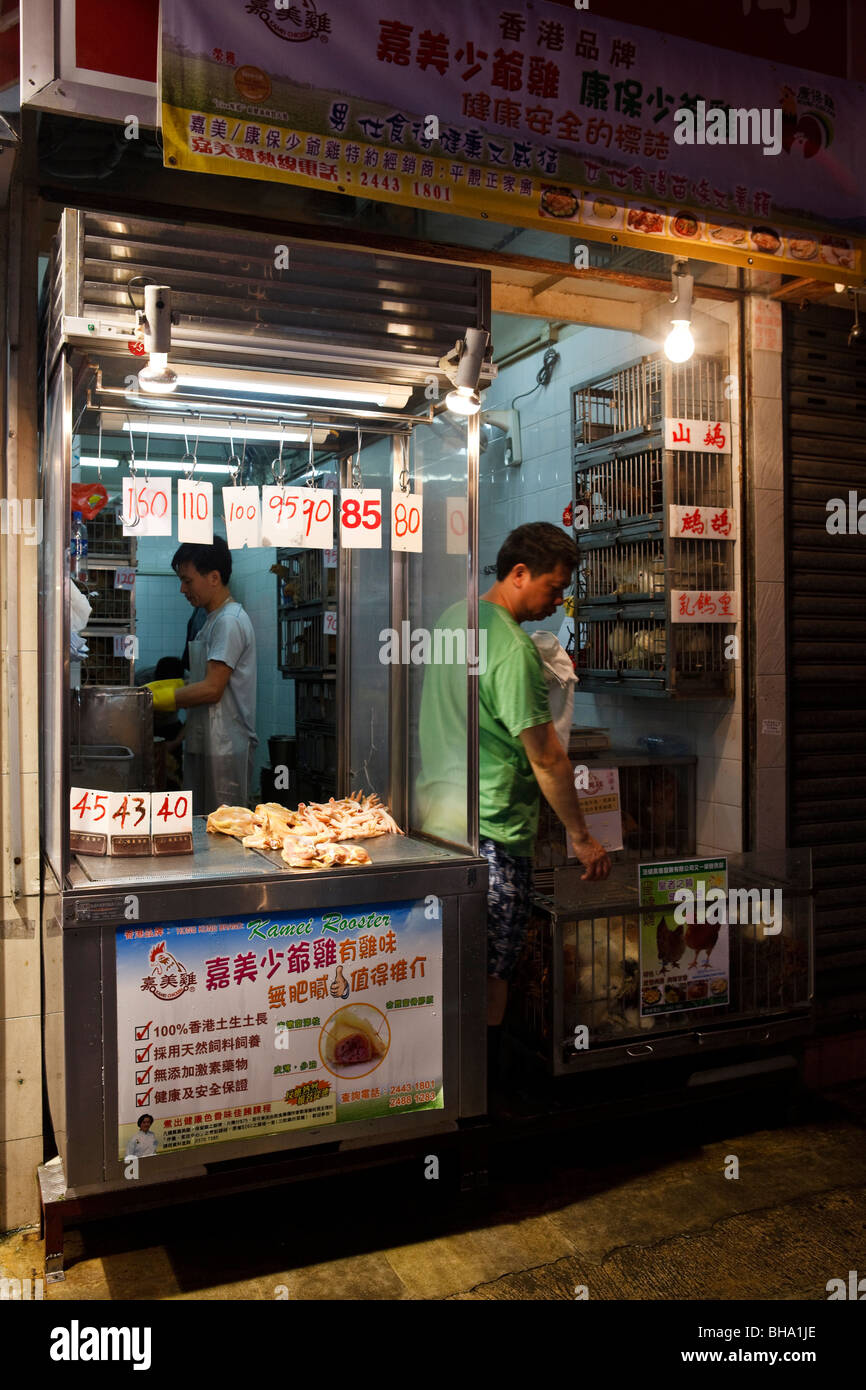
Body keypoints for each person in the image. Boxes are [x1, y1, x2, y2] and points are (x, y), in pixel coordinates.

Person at [418, 522, 611, 1099]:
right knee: (492, 972)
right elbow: (548, 757)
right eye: (554, 588)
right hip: (494, 834)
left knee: (450, 963)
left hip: (440, 824)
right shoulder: (512, 647)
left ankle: (442, 1086)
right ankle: (482, 1101)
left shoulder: (454, 618)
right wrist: (582, 834)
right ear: (519, 574)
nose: (558, 602)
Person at [150, 537, 257, 814]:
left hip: (225, 748)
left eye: (187, 581)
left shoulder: (229, 622)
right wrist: (179, 738)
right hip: (207, 742)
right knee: (202, 827)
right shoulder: (210, 620)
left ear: (214, 577)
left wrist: (158, 700)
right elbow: (201, 689)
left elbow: (212, 689)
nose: (182, 589)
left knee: (226, 833)